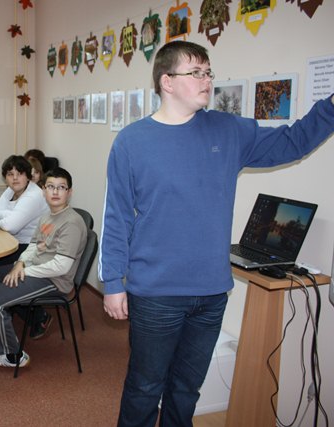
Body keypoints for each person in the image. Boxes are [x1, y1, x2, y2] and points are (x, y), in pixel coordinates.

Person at [99, 40, 334, 427]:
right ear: (167, 82)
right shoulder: (131, 141)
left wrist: (330, 107)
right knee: (145, 387)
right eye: (196, 72)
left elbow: (293, 141)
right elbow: (117, 216)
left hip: (211, 293)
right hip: (156, 294)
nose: (207, 80)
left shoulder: (228, 131)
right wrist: (112, 282)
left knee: (187, 389)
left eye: (208, 72)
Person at [0, 167, 87, 367]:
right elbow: (34, 245)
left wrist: (24, 271)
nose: (55, 192)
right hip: (36, 269)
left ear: (69, 192)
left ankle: (12, 354)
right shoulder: (48, 215)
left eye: (61, 187)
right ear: (43, 190)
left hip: (54, 280)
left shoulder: (71, 223)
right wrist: (20, 263)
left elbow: (61, 267)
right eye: (50, 186)